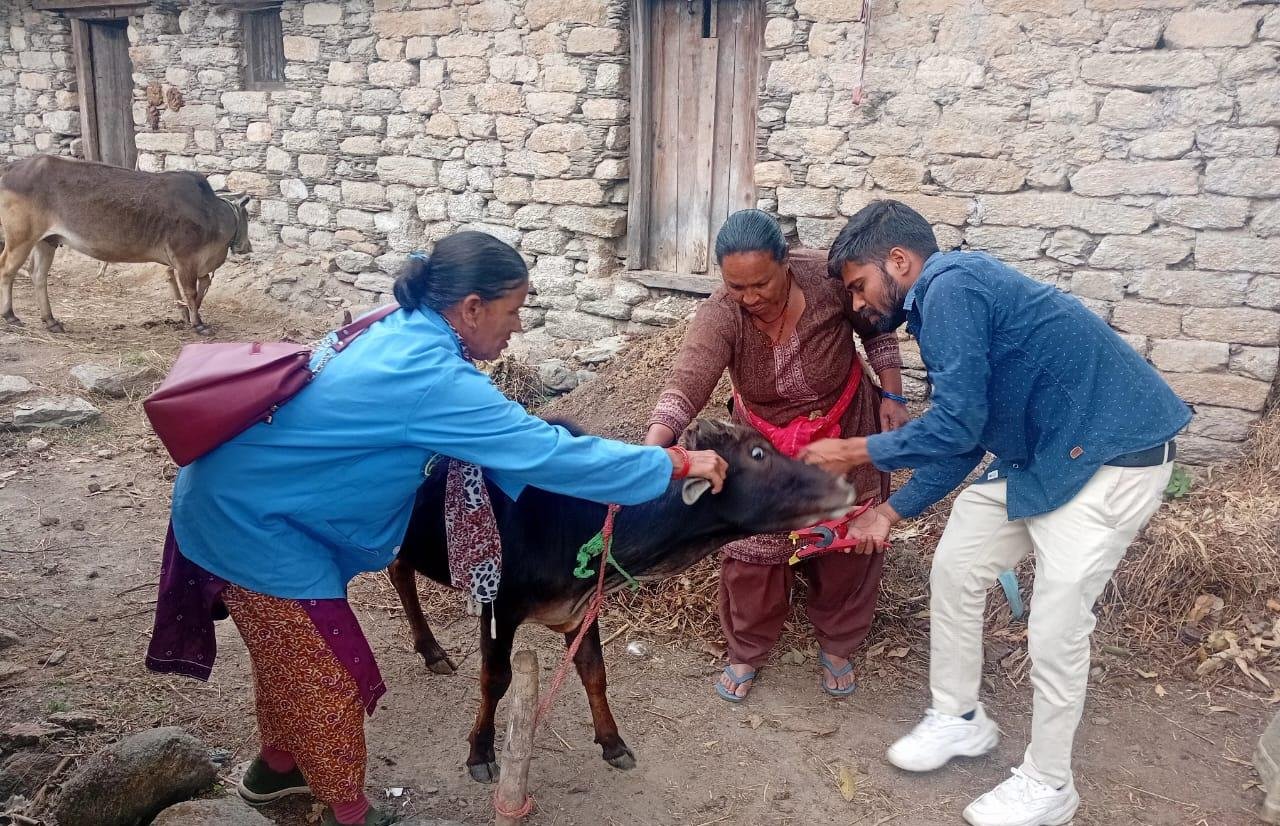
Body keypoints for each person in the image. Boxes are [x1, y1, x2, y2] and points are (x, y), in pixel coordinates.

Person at [145, 231, 728, 826]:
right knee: (328, 677)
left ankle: (275, 770)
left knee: (290, 659)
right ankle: (350, 814)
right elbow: (547, 452)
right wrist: (671, 464)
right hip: (251, 522)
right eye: (513, 311)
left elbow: (512, 449)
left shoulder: (404, 325)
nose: (518, 326)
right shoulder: (434, 379)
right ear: (472, 308)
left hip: (252, 495)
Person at [799, 200, 1191, 826]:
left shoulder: (950, 286)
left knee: (1057, 626)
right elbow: (964, 435)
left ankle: (1049, 784)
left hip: (1113, 457)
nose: (858, 303)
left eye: (859, 285)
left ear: (898, 261)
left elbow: (956, 427)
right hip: (1043, 455)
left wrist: (857, 449)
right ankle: (958, 717)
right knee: (957, 567)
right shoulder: (944, 304)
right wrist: (889, 512)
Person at [643, 209, 908, 703]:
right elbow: (687, 382)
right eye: (736, 287)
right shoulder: (723, 313)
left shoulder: (828, 279)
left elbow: (876, 329)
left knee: (848, 542)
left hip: (844, 430)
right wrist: (651, 451)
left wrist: (893, 395)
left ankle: (838, 642)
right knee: (753, 553)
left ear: (786, 263)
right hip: (763, 448)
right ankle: (747, 648)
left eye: (761, 284)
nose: (750, 298)